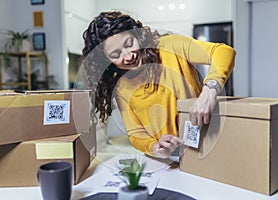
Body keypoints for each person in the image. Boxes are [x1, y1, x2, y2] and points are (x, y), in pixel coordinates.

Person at [81, 11, 236, 159]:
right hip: (165, 160)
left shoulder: (170, 46)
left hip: (204, 144)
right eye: (116, 55)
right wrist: (154, 146)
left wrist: (210, 90)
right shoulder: (122, 88)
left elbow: (223, 51)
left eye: (129, 43)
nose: (129, 56)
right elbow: (136, 134)